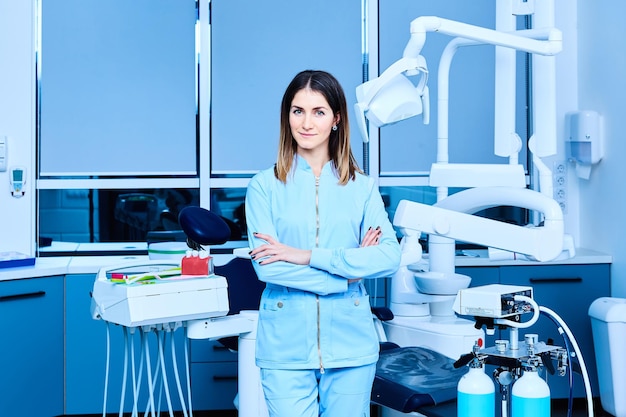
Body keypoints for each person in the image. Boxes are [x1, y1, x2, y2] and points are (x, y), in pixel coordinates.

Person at [245, 69, 401, 417]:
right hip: (285, 344)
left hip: (351, 341)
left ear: (336, 119)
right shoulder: (263, 186)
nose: (306, 122)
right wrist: (348, 274)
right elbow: (266, 267)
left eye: (319, 112)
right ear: (287, 116)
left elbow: (390, 257)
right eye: (297, 110)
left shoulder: (361, 187)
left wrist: (303, 256)